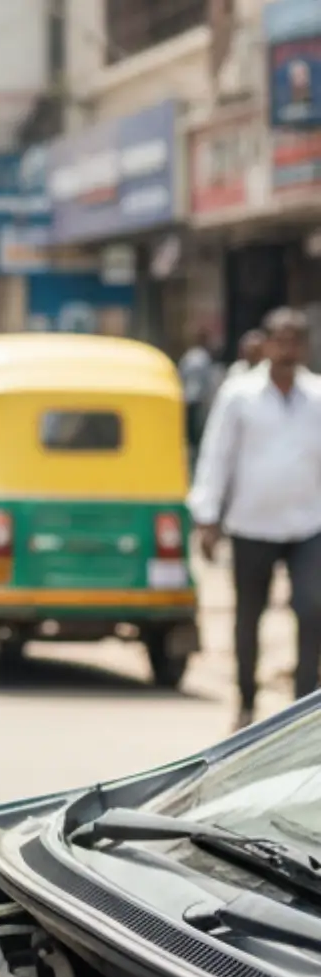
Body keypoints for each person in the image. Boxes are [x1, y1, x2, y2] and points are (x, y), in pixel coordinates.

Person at [189, 307, 321, 729]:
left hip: (308, 524)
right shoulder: (239, 394)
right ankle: (246, 703)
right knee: (249, 615)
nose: (288, 349)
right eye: (280, 340)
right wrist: (207, 516)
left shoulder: (317, 396)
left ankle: (303, 713)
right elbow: (217, 455)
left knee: (312, 609)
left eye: (295, 340)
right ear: (266, 344)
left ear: (305, 347)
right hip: (251, 523)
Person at [178, 329, 220, 470]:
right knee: (197, 437)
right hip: (197, 403)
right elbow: (204, 383)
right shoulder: (201, 357)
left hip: (187, 400)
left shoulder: (188, 356)